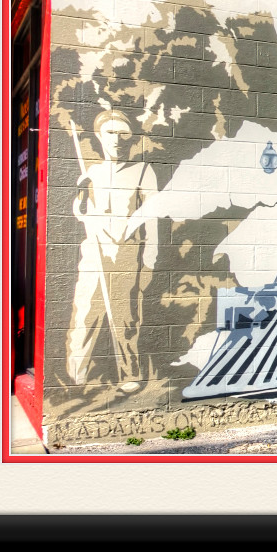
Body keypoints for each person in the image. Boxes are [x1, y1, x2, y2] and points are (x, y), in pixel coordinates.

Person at [66, 108, 158, 393]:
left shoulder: (143, 171)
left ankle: (129, 374)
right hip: (94, 251)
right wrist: (81, 196)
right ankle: (76, 375)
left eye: (122, 134)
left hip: (127, 253)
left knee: (126, 317)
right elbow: (80, 213)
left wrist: (150, 259)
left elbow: (151, 219)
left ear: (130, 138)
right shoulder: (91, 172)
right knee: (84, 312)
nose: (117, 140)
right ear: (99, 136)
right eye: (110, 133)